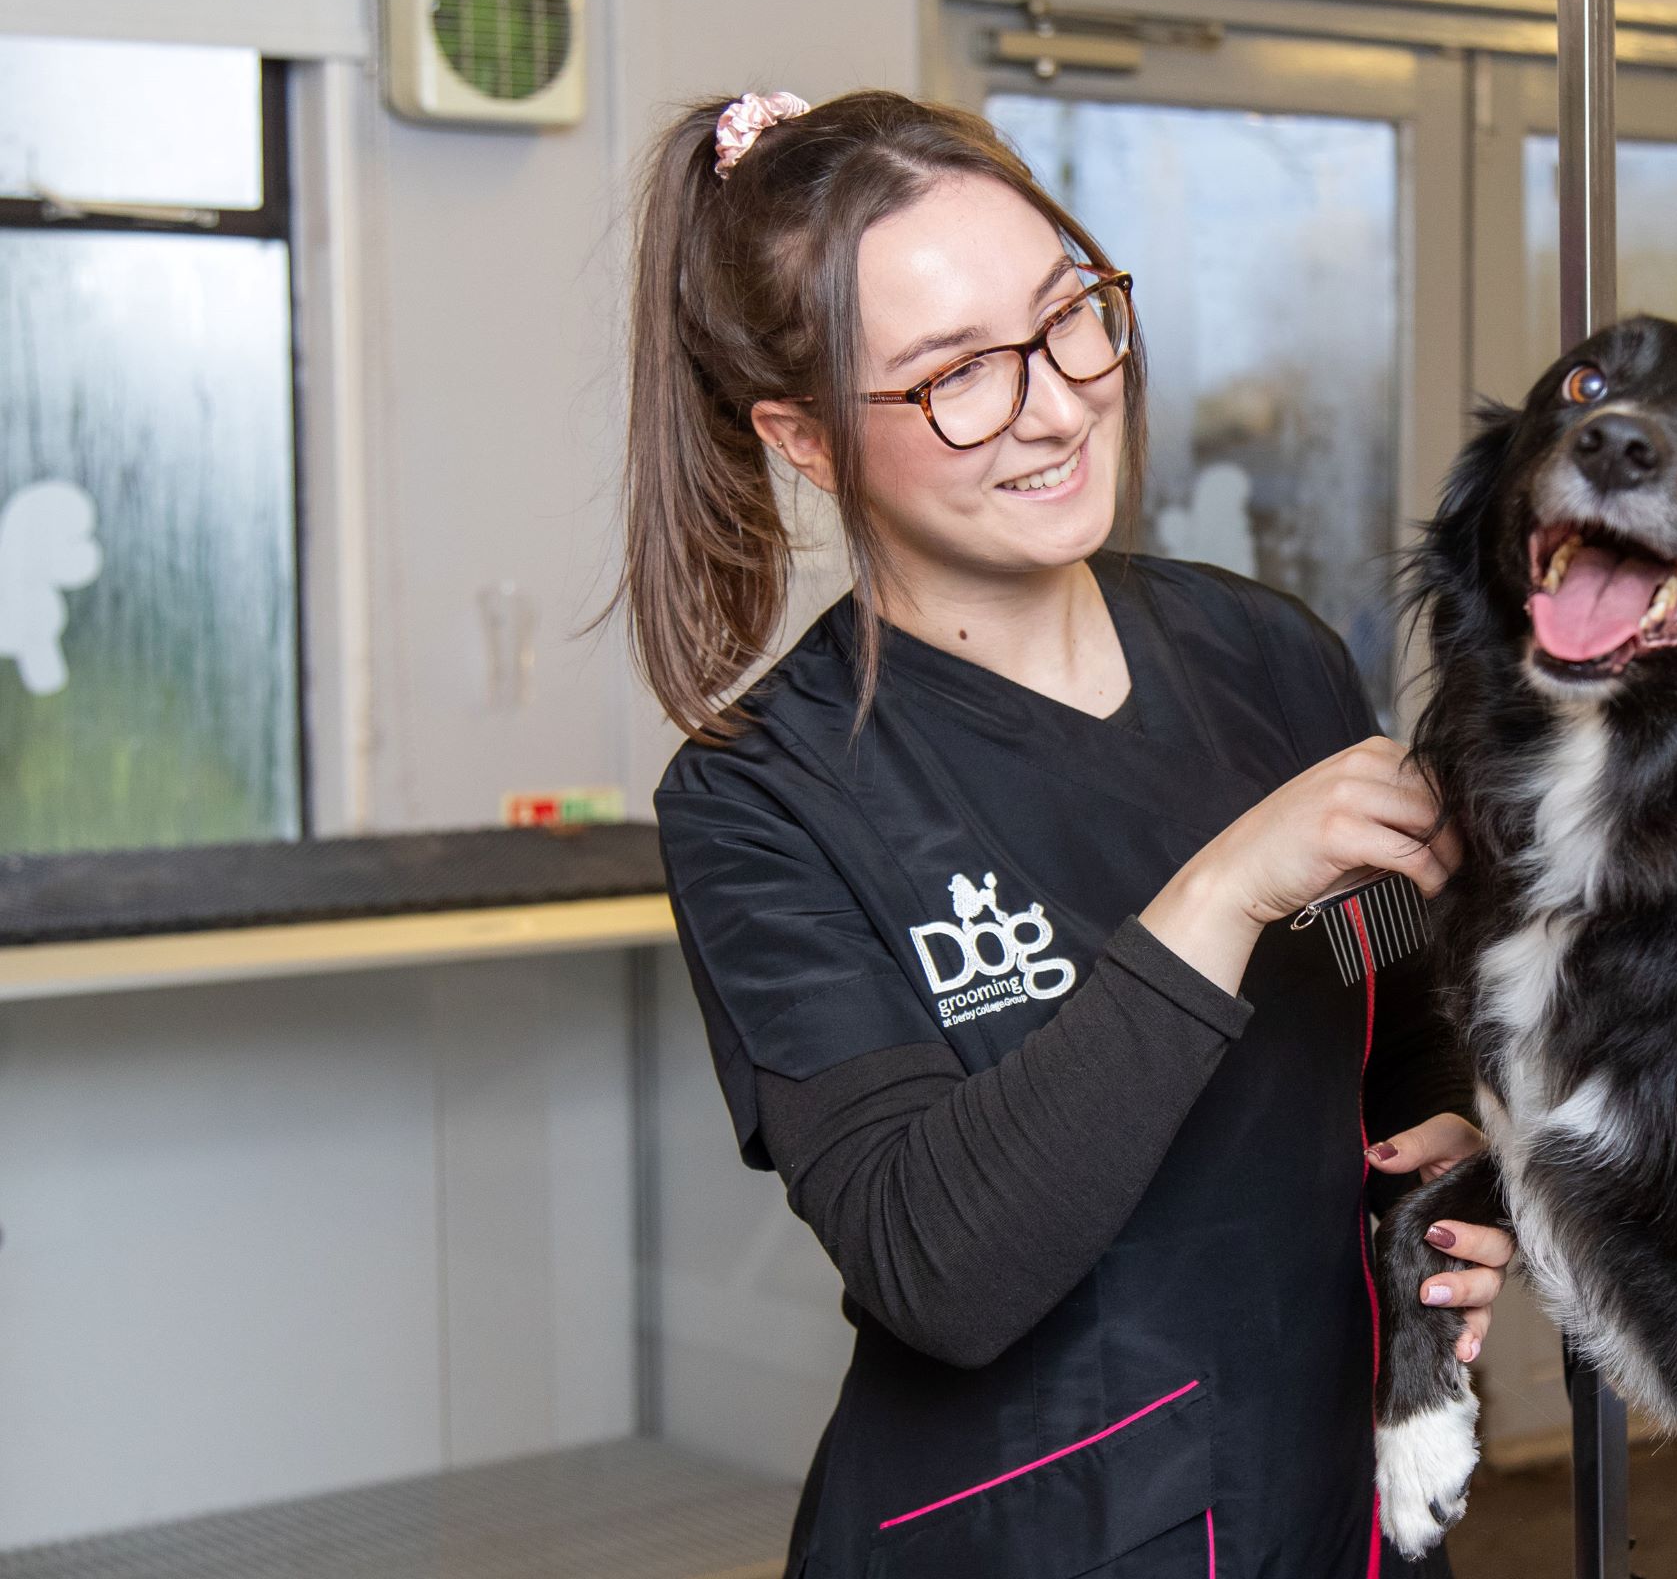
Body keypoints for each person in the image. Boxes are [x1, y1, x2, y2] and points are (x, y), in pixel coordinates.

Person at [617, 88, 1515, 1579]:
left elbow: (1398, 1026)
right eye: (954, 374)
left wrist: (1458, 1152)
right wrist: (1223, 890)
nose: (1053, 401)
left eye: (1067, 318)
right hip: (1026, 1533)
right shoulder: (764, 796)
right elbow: (937, 1268)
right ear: (808, 439)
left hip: (1322, 1491)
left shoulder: (1268, 658)